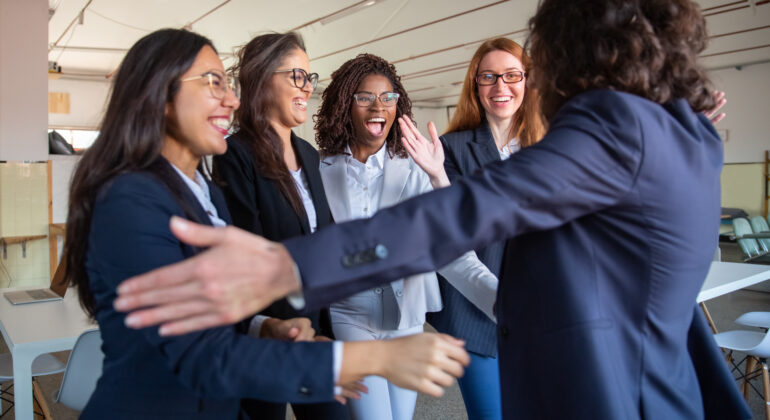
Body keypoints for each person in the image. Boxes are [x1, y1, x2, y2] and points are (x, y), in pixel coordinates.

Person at [113, 1, 751, 419]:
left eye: (533, 66)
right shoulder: (686, 136)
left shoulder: (615, 126)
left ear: (566, 56)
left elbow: (465, 212)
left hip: (606, 399)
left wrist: (287, 267)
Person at [63, 28, 469, 419]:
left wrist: (264, 326)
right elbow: (193, 353)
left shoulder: (201, 190)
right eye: (212, 83)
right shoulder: (130, 200)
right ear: (160, 96)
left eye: (227, 84)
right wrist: (370, 357)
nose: (232, 100)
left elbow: (216, 303)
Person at [313, 53, 498, 420]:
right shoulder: (321, 170)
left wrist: (506, 302)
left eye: (387, 98)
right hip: (351, 314)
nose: (377, 107)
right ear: (344, 104)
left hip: (407, 319)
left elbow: (450, 250)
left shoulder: (417, 169)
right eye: (364, 97)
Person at [403, 37, 546, 420]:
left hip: (542, 311)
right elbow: (450, 237)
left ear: (528, 82)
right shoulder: (450, 150)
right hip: (473, 314)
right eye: (489, 77)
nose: (501, 87)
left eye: (512, 75)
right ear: (476, 86)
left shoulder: (548, 147)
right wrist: (436, 177)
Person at [211, 32, 346, 420]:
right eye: (296, 76)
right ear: (262, 78)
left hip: (314, 330)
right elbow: (246, 254)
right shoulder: (236, 155)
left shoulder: (308, 154)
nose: (306, 87)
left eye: (309, 77)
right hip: (267, 335)